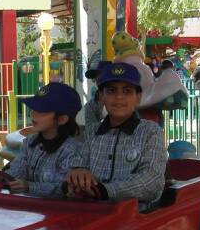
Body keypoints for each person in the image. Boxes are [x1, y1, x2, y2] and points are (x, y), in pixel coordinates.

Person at [65, 62, 167, 205]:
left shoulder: (150, 131)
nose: (119, 97)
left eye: (127, 91)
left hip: (134, 216)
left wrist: (105, 191)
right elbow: (78, 165)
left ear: (138, 97)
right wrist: (78, 175)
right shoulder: (92, 132)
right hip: (91, 213)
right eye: (111, 91)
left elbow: (152, 182)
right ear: (101, 96)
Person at [0, 82, 82, 196]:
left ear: (62, 119)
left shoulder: (72, 150)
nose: (33, 114)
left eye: (41, 111)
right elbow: (16, 172)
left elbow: (63, 188)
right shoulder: (30, 142)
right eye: (33, 109)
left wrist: (29, 186)